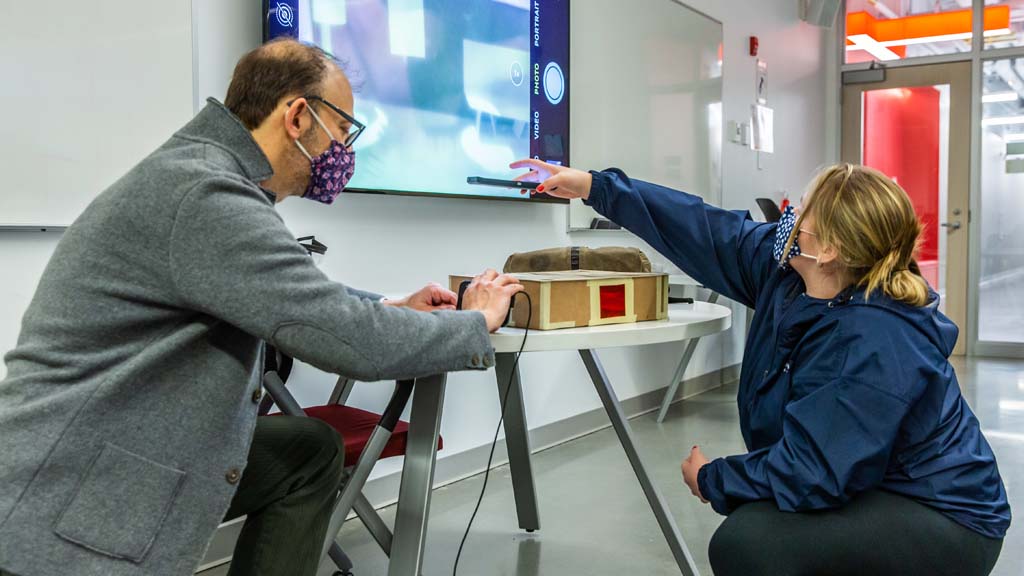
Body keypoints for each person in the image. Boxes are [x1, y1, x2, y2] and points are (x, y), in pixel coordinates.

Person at [0, 39, 522, 576]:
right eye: (342, 131)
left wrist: (394, 305)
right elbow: (353, 341)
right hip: (71, 483)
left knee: (307, 451)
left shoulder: (208, 177)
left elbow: (288, 295)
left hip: (121, 440)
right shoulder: (205, 194)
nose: (343, 151)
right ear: (297, 116)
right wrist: (476, 321)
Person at [510, 159, 1010, 576]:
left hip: (943, 515)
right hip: (868, 476)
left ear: (831, 247)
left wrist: (713, 478)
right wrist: (597, 188)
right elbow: (707, 230)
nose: (791, 217)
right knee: (763, 514)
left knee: (749, 542)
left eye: (804, 210)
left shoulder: (875, 339)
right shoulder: (790, 271)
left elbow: (814, 470)